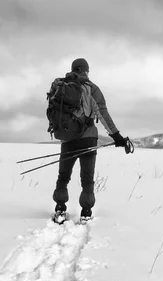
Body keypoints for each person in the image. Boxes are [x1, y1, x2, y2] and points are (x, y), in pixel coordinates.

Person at [52, 58, 128, 222]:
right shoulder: (92, 89)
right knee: (87, 178)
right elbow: (103, 115)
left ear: (73, 69)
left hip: (67, 138)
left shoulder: (60, 86)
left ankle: (60, 208)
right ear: (86, 70)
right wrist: (116, 136)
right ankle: (86, 211)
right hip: (88, 139)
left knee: (63, 176)